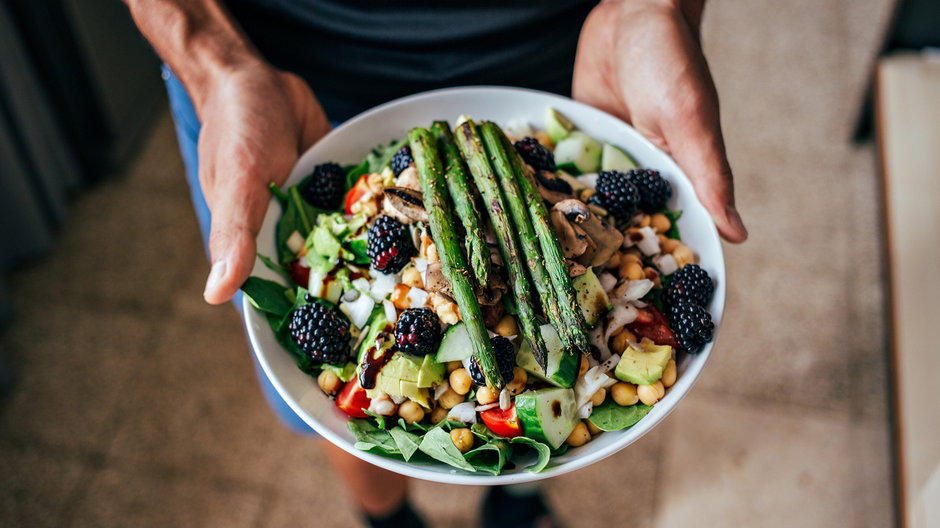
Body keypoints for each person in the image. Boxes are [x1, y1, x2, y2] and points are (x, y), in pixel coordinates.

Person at [125, 1, 748, 526]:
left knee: (552, 426)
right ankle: (388, 519)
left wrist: (652, 7)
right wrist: (214, 61)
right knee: (329, 417)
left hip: (573, 64)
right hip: (275, 81)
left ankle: (514, 506)